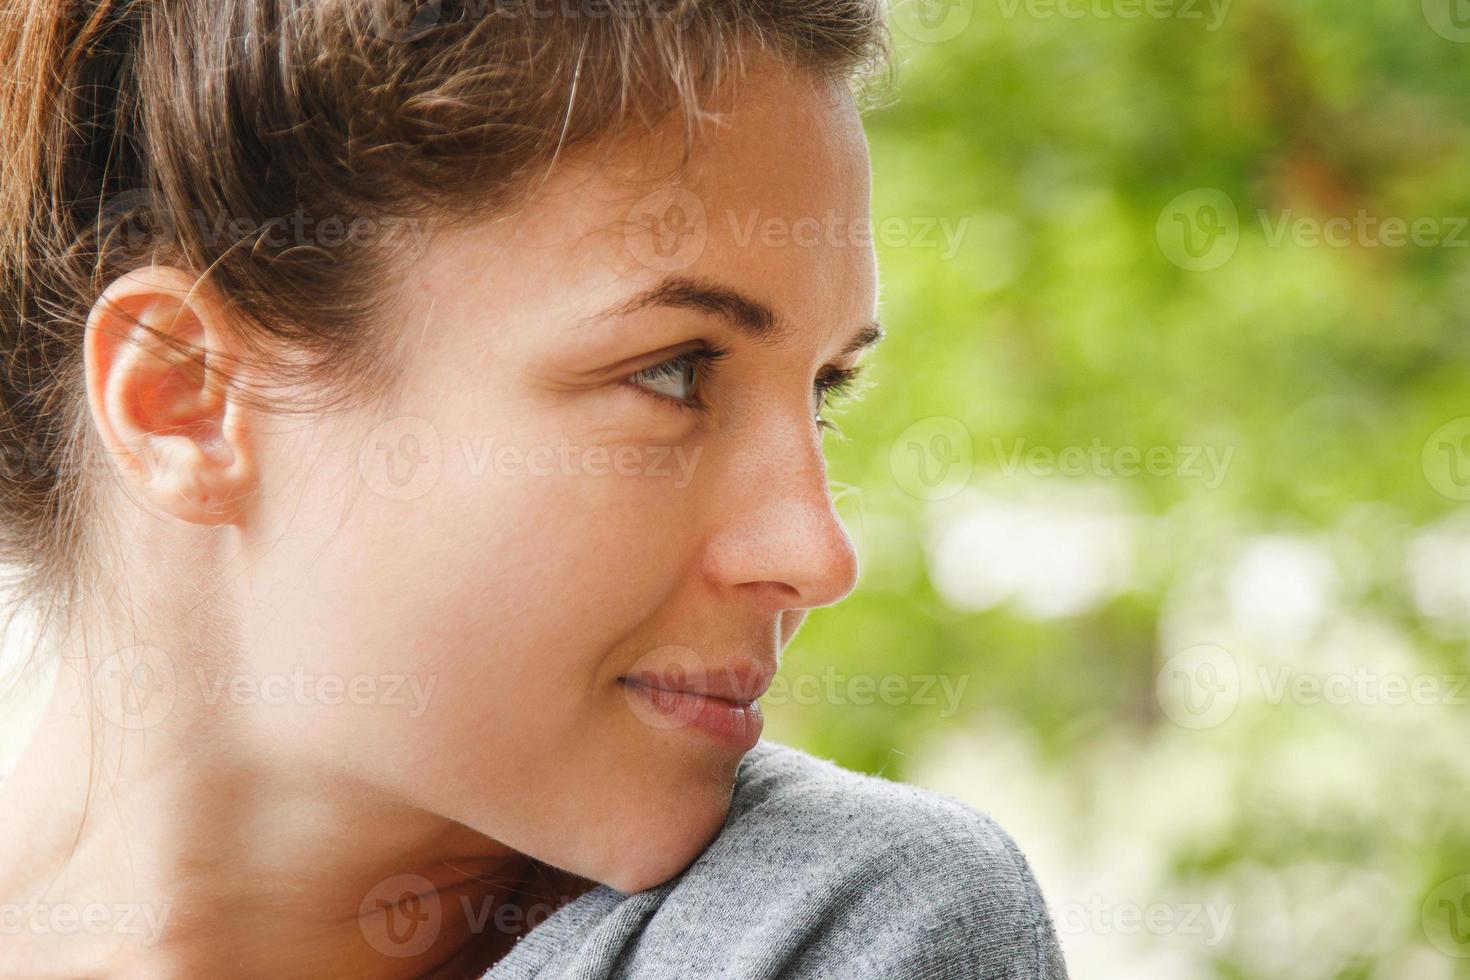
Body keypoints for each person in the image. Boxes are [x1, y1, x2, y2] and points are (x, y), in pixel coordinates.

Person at [0, 1, 1068, 976]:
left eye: (823, 392)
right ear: (187, 399)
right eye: (674, 370)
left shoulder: (835, 928)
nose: (818, 554)